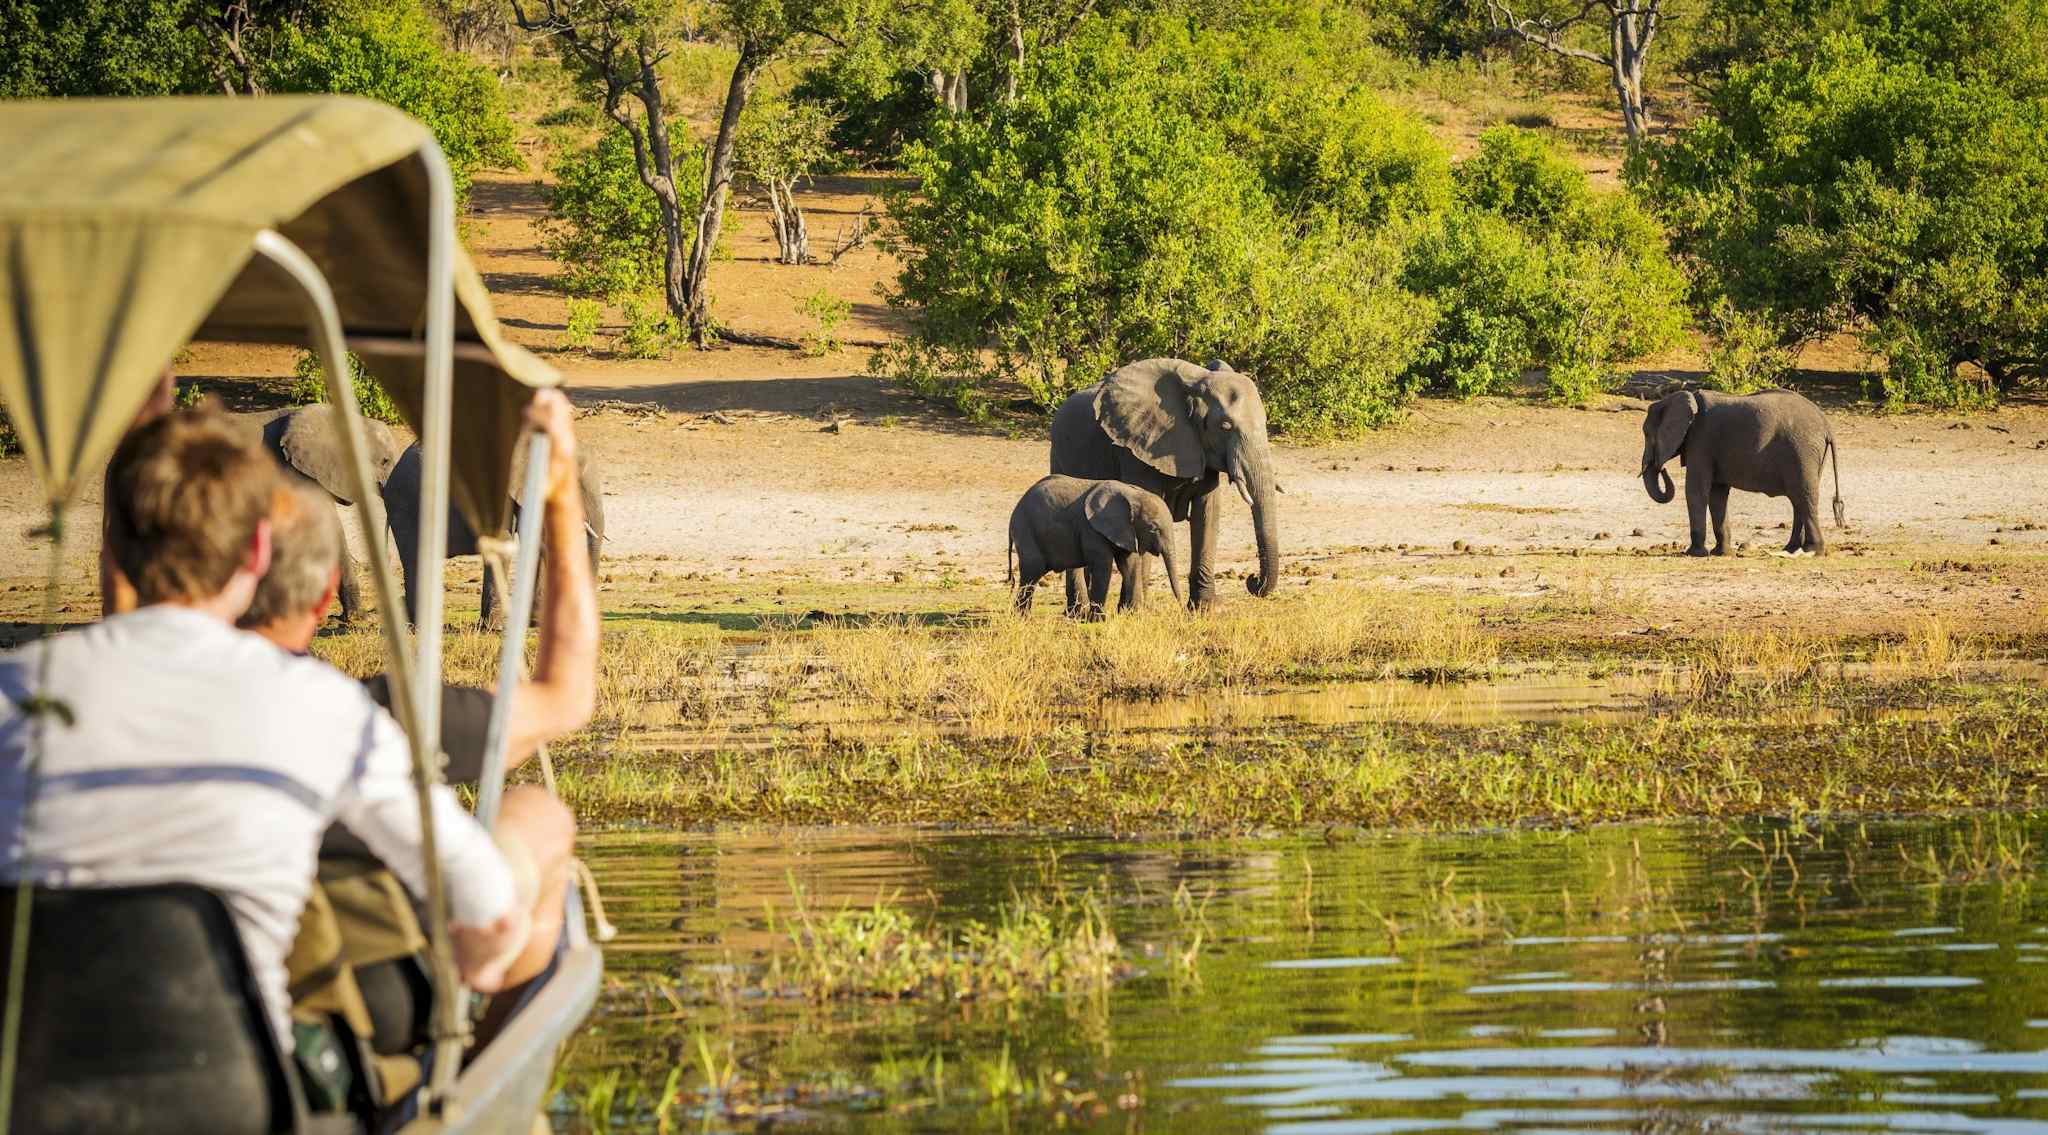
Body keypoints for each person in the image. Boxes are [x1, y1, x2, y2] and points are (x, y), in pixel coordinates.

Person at [0, 405, 532, 1049]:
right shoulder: (321, 706)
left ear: (110, 545)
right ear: (258, 550)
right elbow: (491, 907)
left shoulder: (13, 694)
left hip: (29, 1089)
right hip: (242, 1088)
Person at [240, 390, 595, 1095]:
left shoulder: (27, 706)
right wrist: (558, 498)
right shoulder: (352, 720)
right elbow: (565, 696)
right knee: (539, 817)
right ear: (320, 600)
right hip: (333, 1054)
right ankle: (468, 1085)